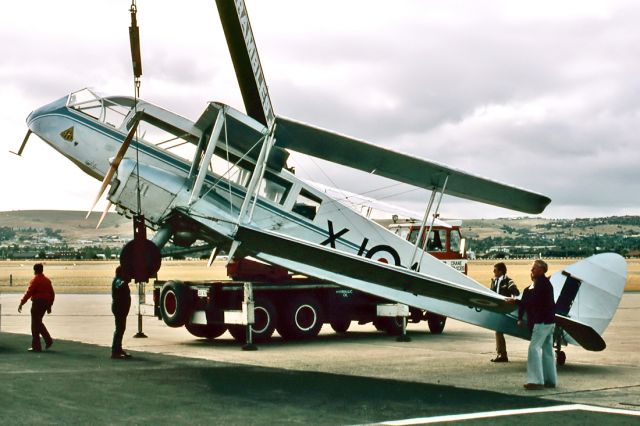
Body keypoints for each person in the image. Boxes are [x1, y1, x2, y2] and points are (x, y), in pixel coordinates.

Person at [511, 259, 557, 390]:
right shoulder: (545, 283)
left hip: (542, 322)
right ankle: (550, 379)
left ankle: (536, 380)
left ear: (541, 269)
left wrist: (515, 302)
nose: (531, 271)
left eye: (534, 268)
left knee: (534, 348)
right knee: (547, 350)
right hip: (550, 322)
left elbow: (532, 302)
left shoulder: (541, 284)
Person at [18, 263, 55, 352]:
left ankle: (39, 345)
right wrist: (49, 305)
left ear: (35, 270)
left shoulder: (35, 280)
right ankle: (46, 341)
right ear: (42, 270)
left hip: (37, 304)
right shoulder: (47, 280)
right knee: (38, 323)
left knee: (35, 325)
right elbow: (52, 294)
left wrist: (22, 303)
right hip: (45, 304)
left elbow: (29, 292)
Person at [490, 262, 519, 362]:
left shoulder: (508, 281)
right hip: (497, 310)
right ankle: (501, 354)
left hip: (505, 310)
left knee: (498, 331)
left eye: (495, 270)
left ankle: (502, 355)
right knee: (498, 332)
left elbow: (516, 292)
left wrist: (511, 300)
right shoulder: (494, 281)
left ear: (501, 271)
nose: (493, 271)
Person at [111, 266, 132, 359]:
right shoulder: (118, 280)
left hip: (121, 308)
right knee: (119, 329)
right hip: (119, 308)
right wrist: (125, 280)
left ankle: (118, 349)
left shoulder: (119, 280)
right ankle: (115, 351)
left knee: (121, 329)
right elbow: (119, 285)